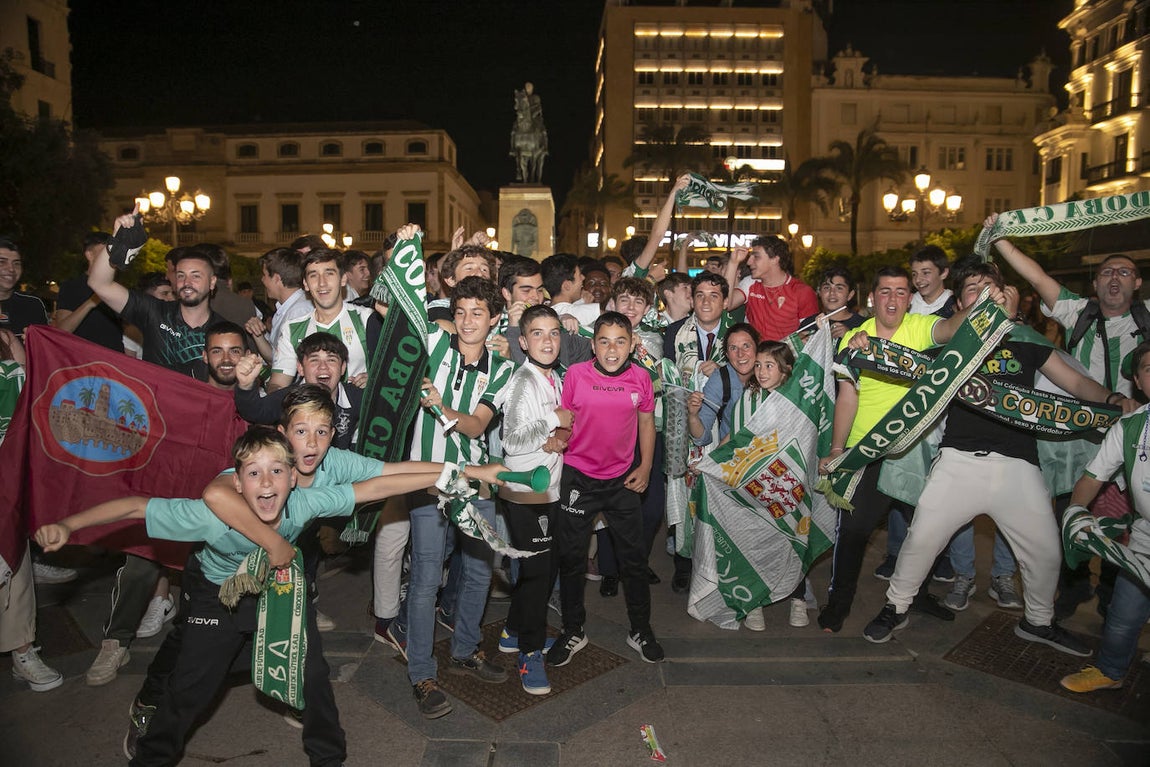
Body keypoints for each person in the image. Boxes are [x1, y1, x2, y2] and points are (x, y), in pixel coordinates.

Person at [34, 425, 503, 765]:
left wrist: (449, 474)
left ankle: (328, 756)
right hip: (218, 598)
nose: (266, 483)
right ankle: (153, 755)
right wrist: (69, 525)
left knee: (313, 674)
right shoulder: (210, 516)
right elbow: (136, 505)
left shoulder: (305, 500)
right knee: (191, 690)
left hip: (275, 592)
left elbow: (377, 486)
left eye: (277, 471)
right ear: (235, 484)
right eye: (254, 474)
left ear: (292, 477)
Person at [861, 260, 1132, 654]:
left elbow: (1074, 382)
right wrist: (861, 345)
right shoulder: (950, 340)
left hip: (1018, 465)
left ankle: (1038, 621)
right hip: (959, 461)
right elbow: (897, 352)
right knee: (921, 539)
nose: (984, 292)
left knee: (1044, 551)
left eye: (992, 286)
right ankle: (896, 605)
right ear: (959, 303)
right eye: (973, 288)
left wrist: (1111, 399)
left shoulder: (1026, 339)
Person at [85, 211, 235, 685]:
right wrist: (121, 242)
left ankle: (204, 644)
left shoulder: (228, 330)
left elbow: (244, 384)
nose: (187, 281)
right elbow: (100, 281)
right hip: (157, 448)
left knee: (209, 548)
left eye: (197, 275)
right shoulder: (154, 312)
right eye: (181, 274)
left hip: (209, 452)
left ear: (213, 283)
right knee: (143, 545)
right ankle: (116, 642)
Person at [816, 266, 1004, 633]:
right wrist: (839, 448)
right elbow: (847, 397)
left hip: (913, 451)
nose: (893, 299)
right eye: (885, 291)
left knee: (928, 530)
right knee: (853, 533)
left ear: (909, 298)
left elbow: (952, 327)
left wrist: (983, 301)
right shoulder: (854, 337)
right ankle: (838, 604)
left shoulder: (920, 327)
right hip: (867, 450)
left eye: (901, 292)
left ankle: (915, 597)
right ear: (872, 298)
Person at [989, 215, 1147, 618]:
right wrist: (1000, 238)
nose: (1115, 279)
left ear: (1137, 283)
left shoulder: (1147, 318)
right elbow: (1037, 277)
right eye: (1108, 272)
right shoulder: (1079, 313)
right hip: (1077, 434)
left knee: (1123, 517)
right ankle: (1073, 586)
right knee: (1068, 510)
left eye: (1125, 272)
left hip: (1133, 436)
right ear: (1095, 283)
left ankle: (1116, 592)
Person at [385, 273, 517, 719]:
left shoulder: (502, 367)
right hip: (428, 478)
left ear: (494, 320)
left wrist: (440, 406)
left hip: (476, 478)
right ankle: (421, 672)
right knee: (426, 577)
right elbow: (395, 304)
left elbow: (478, 425)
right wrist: (402, 254)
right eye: (459, 312)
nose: (465, 322)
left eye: (477, 313)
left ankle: (464, 650)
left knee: (480, 572)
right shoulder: (434, 345)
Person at [548, 311, 664, 667]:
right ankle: (572, 630)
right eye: (604, 340)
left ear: (632, 344)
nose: (612, 349)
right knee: (571, 560)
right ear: (593, 345)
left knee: (633, 560)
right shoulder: (576, 376)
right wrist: (558, 438)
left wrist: (644, 467)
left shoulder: (642, 378)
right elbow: (566, 420)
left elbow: (647, 424)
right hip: (579, 479)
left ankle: (640, 629)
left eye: (620, 341)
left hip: (622, 481)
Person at [1060, 340, 1150, 693]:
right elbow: (1092, 478)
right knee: (1123, 617)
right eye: (1148, 369)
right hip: (1144, 539)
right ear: (1139, 383)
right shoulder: (1130, 427)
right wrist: (1074, 514)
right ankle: (1111, 671)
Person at [493, 305, 570, 694]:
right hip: (526, 493)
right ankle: (529, 653)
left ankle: (512, 630)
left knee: (545, 566)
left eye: (554, 333)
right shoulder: (523, 379)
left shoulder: (551, 376)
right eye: (537, 334)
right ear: (522, 342)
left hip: (547, 489)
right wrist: (554, 420)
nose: (547, 341)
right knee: (539, 574)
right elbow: (511, 439)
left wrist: (555, 436)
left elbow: (548, 434)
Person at [720, 340, 808, 629]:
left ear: (786, 370)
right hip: (753, 484)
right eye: (758, 365)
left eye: (769, 365)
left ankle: (798, 596)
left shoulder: (797, 400)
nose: (761, 371)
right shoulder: (749, 398)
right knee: (755, 541)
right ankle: (754, 602)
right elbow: (736, 437)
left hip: (788, 484)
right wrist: (711, 462)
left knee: (792, 540)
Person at [0, 330, 63, 692]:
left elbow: (36, 386)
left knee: (13, 562)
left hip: (6, 475)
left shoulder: (6, 339)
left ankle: (21, 651)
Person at [664, 271, 732, 593]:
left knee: (717, 494)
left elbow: (748, 371)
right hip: (681, 426)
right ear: (691, 300)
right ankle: (683, 563)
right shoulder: (674, 333)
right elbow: (662, 379)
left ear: (725, 301)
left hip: (724, 429)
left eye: (714, 295)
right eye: (700, 295)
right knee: (681, 491)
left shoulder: (737, 335)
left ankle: (716, 561)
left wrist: (723, 370)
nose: (706, 302)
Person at [268, 248, 377, 392]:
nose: (322, 283)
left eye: (329, 274)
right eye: (313, 275)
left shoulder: (366, 319)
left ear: (343, 279)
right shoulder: (292, 328)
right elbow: (278, 384)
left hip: (359, 412)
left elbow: (391, 372)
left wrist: (375, 380)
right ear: (305, 284)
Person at [724, 236, 818, 341]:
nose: (749, 262)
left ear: (775, 259)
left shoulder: (802, 292)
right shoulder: (750, 283)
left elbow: (809, 335)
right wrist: (733, 262)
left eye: (756, 257)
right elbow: (726, 304)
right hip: (756, 356)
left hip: (785, 356)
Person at [687, 323, 761, 449]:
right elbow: (702, 438)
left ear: (757, 349)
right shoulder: (721, 379)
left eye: (746, 346)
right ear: (727, 355)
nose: (740, 354)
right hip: (734, 455)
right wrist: (693, 416)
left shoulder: (770, 373)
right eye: (733, 348)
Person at [53, 232, 123, 352]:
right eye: (106, 253)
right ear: (89, 255)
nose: (111, 257)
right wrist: (91, 302)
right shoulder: (71, 287)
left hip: (115, 363)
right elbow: (62, 331)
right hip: (84, 363)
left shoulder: (118, 289)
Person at [259, 246, 312, 361]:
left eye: (265, 275)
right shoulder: (287, 308)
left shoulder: (299, 312)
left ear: (277, 279)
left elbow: (289, 363)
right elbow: (276, 356)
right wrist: (258, 334)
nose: (262, 280)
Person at [0, 237, 48, 340]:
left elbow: (44, 350)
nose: (11, 269)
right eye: (2, 262)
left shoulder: (32, 305)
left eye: (16, 263)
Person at [800, 266, 864, 341]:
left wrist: (849, 337)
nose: (832, 293)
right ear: (819, 292)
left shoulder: (862, 325)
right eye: (827, 287)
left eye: (839, 288)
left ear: (850, 295)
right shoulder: (809, 324)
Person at [191, 321, 246, 390]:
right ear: (205, 356)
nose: (226, 359)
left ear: (247, 355)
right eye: (217, 352)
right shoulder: (189, 396)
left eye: (234, 351)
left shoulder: (258, 399)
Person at [908, 245, 957, 317]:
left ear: (944, 273)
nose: (918, 279)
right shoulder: (907, 303)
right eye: (914, 274)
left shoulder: (956, 304)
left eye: (926, 273)